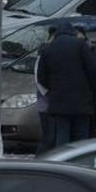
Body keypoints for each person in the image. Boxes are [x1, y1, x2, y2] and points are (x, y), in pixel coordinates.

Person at [37, 21, 96, 148]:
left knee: (62, 136)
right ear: (72, 32)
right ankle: (81, 163)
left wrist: (54, 90)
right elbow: (94, 71)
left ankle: (62, 163)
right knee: (81, 138)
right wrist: (95, 95)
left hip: (59, 102)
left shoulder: (48, 49)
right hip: (82, 100)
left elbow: (41, 76)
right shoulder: (80, 45)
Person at [33, 26, 58, 156]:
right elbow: (39, 79)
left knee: (50, 136)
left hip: (47, 102)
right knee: (49, 137)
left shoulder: (46, 51)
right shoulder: (45, 52)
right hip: (46, 103)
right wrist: (48, 94)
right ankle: (40, 160)